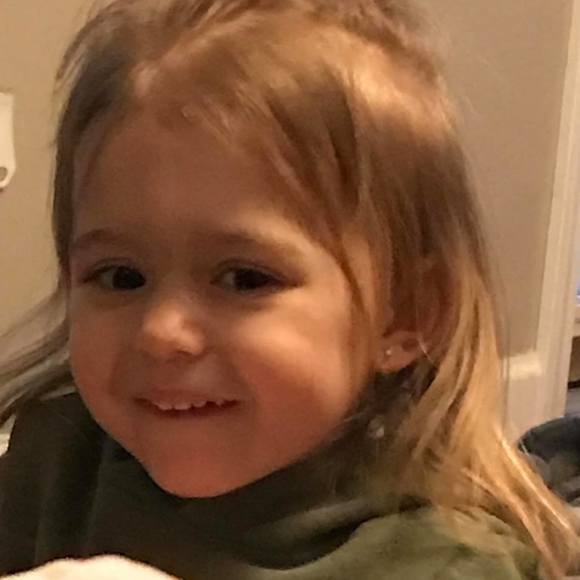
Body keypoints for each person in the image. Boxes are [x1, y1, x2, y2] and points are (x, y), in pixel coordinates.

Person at [0, 0, 576, 578]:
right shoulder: (57, 461)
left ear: (407, 311)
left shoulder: (450, 563)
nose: (160, 332)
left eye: (244, 279)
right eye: (121, 276)